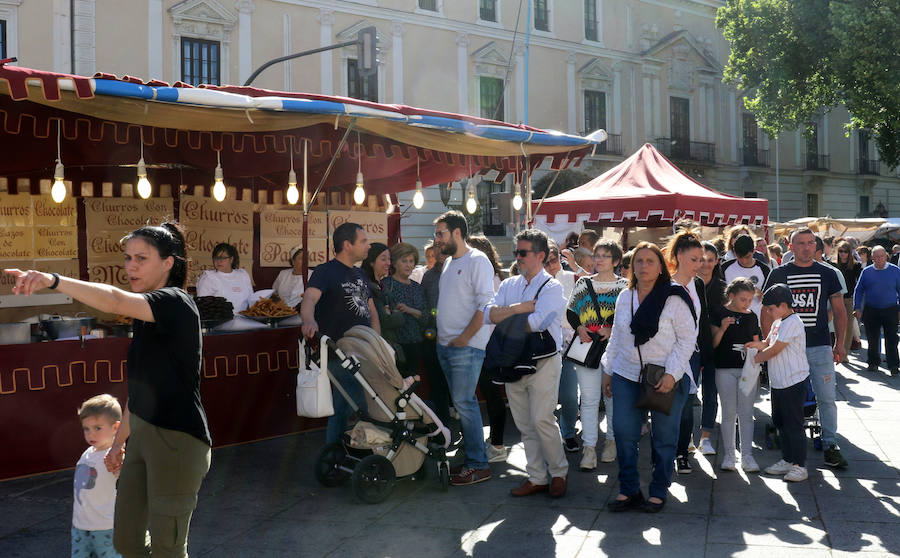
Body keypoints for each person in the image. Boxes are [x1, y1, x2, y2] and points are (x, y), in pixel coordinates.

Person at [7, 222, 212, 557]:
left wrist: (52, 280)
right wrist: (118, 443)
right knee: (126, 542)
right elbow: (142, 389)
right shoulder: (146, 314)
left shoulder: (175, 302)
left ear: (168, 263)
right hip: (142, 435)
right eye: (128, 258)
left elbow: (115, 300)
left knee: (168, 548)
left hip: (178, 440)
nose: (131, 266)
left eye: (141, 258)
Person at [601, 241, 697, 513]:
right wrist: (607, 371)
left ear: (661, 267)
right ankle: (629, 489)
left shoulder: (675, 297)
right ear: (632, 266)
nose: (643, 266)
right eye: (639, 261)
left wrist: (672, 374)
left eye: (650, 261)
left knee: (664, 437)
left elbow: (687, 340)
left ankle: (658, 490)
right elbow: (617, 337)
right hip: (626, 373)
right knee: (623, 432)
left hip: (664, 376)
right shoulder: (625, 296)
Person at [487, 229, 569, 498]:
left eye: (523, 252)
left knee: (542, 419)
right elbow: (490, 315)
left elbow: (538, 322)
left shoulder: (552, 287)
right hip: (512, 361)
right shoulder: (509, 285)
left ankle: (559, 473)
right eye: (516, 252)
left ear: (541, 255)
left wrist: (507, 316)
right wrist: (521, 308)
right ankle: (537, 477)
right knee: (524, 423)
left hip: (543, 361)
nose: (518, 257)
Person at [762, 227, 847, 468]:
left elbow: (839, 310)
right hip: (786, 349)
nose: (807, 247)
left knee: (826, 398)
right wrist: (769, 343)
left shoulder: (828, 273)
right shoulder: (779, 273)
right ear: (791, 247)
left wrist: (840, 343)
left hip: (819, 345)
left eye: (810, 242)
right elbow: (765, 311)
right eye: (801, 243)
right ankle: (789, 448)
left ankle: (831, 444)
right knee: (784, 398)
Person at [300, 222, 380, 444]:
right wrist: (308, 320)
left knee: (344, 405)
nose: (368, 245)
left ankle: (337, 452)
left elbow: (372, 311)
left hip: (365, 351)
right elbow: (309, 298)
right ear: (347, 245)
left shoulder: (361, 273)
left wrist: (377, 342)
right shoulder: (325, 271)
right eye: (363, 241)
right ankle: (364, 448)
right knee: (360, 402)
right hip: (338, 352)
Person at [433, 210, 494, 486]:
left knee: (464, 404)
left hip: (466, 347)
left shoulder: (478, 260)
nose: (437, 239)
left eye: (440, 233)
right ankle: (473, 458)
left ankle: (479, 465)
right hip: (447, 346)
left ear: (457, 232)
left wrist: (464, 338)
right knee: (461, 403)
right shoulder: (448, 262)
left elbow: (485, 306)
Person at [566, 239, 628, 470]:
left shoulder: (626, 287)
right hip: (587, 348)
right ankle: (589, 448)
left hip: (616, 351)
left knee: (612, 397)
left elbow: (630, 318)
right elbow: (571, 311)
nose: (599, 259)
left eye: (605, 256)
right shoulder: (583, 283)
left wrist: (612, 329)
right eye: (597, 255)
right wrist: (579, 328)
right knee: (589, 399)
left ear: (616, 261)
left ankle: (611, 441)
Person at [748, 284, 811, 482]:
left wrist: (754, 360)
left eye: (770, 308)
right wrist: (753, 346)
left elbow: (775, 350)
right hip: (778, 383)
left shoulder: (793, 322)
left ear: (783, 305)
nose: (768, 312)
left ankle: (799, 466)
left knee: (794, 425)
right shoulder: (778, 322)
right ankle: (787, 460)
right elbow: (768, 344)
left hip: (793, 382)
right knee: (781, 423)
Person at [464, 234, 509, 463]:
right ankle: (492, 442)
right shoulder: (487, 276)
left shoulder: (492, 279)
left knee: (491, 396)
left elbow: (488, 314)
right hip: (481, 344)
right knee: (486, 395)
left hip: (488, 345)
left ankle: (498, 445)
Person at [711, 278, 762, 472]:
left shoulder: (751, 316)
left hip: (747, 369)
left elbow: (758, 343)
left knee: (746, 413)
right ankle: (729, 454)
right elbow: (714, 343)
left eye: (750, 299)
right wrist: (723, 328)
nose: (747, 303)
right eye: (743, 299)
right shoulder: (719, 313)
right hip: (724, 368)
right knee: (729, 412)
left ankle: (747, 455)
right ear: (731, 296)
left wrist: (754, 348)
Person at [665, 230, 705, 475]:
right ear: (679, 256)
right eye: (694, 259)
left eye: (701, 259)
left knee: (688, 406)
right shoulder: (665, 284)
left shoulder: (697, 284)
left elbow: (703, 321)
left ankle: (682, 453)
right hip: (667, 353)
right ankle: (664, 454)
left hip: (693, 354)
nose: (698, 264)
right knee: (666, 407)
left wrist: (704, 356)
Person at [72, 394, 122, 558]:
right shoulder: (88, 453)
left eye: (97, 428)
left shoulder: (114, 456)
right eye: (86, 429)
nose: (90, 434)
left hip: (106, 527)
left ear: (115, 427)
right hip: (80, 525)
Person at [545, 241, 581, 455]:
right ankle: (549, 435)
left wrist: (575, 265)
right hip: (542, 348)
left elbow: (596, 282)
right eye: (547, 262)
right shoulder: (534, 281)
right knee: (545, 399)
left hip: (568, 346)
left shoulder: (571, 277)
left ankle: (568, 432)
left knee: (569, 396)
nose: (551, 266)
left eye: (554, 260)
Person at [696, 241, 726, 456]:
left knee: (710, 393)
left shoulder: (723, 288)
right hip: (688, 346)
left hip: (715, 346)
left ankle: (705, 436)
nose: (705, 264)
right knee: (685, 395)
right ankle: (685, 438)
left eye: (709, 260)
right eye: (701, 260)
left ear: (717, 262)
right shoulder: (687, 283)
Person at [853, 245, 900, 375]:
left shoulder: (895, 271)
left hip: (891, 309)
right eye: (876, 257)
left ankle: (894, 365)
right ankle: (873, 362)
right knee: (872, 338)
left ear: (886, 256)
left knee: (891, 338)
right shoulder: (867, 272)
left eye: (881, 256)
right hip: (871, 309)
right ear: (872, 258)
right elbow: (859, 290)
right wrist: (857, 307)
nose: (879, 259)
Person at [383, 242, 427, 377]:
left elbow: (426, 316)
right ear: (394, 263)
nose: (408, 265)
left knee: (412, 382)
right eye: (404, 261)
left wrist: (409, 310)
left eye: (411, 261)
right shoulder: (386, 285)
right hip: (394, 344)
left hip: (415, 344)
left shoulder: (417, 287)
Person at [420, 241, 452, 426]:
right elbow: (425, 306)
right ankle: (442, 428)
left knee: (456, 386)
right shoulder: (428, 276)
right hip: (433, 336)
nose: (440, 251)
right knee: (436, 383)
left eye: (443, 248)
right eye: (437, 248)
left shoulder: (458, 272)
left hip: (456, 336)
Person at [364, 242, 406, 365]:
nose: (388, 263)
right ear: (371, 261)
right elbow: (387, 320)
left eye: (389, 259)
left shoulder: (382, 286)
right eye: (383, 259)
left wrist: (393, 313)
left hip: (388, 346)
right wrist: (397, 314)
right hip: (377, 350)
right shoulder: (369, 288)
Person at [720, 234, 770, 318]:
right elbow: (720, 297)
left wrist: (758, 293)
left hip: (756, 319)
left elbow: (770, 301)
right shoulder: (725, 268)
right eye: (740, 257)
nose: (744, 261)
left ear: (754, 251)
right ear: (735, 253)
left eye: (747, 257)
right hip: (731, 319)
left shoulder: (764, 269)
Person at [195, 242, 253, 313]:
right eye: (216, 258)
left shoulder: (243, 275)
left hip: (245, 318)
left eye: (223, 258)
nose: (219, 261)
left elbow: (252, 299)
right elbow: (202, 306)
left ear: (231, 259)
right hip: (220, 319)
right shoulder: (208, 278)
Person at [833, 240, 863, 361]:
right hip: (835, 298)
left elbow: (860, 284)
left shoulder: (856, 266)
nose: (843, 253)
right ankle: (836, 351)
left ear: (850, 253)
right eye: (840, 251)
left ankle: (844, 354)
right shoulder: (833, 265)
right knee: (836, 325)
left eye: (845, 251)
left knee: (849, 326)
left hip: (849, 298)